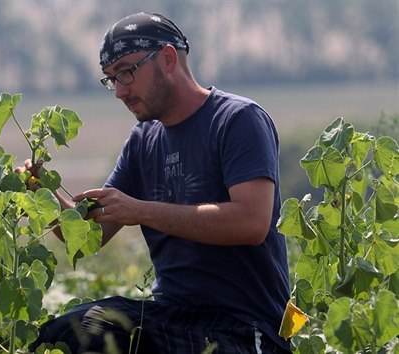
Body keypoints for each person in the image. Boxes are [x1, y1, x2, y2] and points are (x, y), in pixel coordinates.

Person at [29, 12, 291, 353]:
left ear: (168, 58)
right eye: (111, 79)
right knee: (73, 330)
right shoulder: (143, 140)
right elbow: (88, 239)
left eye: (126, 72)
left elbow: (251, 223)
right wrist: (42, 194)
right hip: (173, 317)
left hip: (243, 327)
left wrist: (141, 211)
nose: (120, 91)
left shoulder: (237, 120)